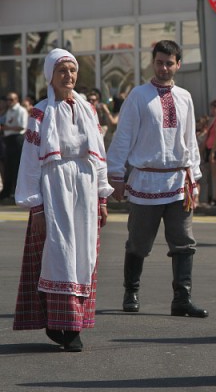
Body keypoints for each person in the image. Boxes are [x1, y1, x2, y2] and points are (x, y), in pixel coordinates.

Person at [12, 48, 113, 352]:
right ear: (50, 77)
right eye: (62, 71)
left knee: (82, 254)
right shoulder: (40, 113)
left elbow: (99, 156)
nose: (68, 76)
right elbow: (30, 161)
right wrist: (36, 204)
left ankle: (73, 322)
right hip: (54, 186)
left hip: (84, 185)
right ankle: (60, 324)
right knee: (58, 253)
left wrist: (102, 196)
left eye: (72, 70)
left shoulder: (88, 110)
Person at [107, 40, 208, 318]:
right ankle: (131, 291)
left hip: (179, 182)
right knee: (139, 242)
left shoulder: (185, 97)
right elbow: (123, 136)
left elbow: (190, 141)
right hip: (145, 182)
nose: (164, 67)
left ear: (178, 64)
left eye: (169, 62)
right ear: (153, 63)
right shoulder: (138, 96)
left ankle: (182, 299)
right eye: (159, 62)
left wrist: (195, 178)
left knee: (184, 242)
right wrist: (115, 174)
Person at [0, 92, 28, 201]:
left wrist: (6, 128)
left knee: (17, 166)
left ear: (16, 100)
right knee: (8, 167)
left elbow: (21, 126)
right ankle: (7, 191)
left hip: (17, 139)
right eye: (7, 99)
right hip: (8, 140)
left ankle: (16, 191)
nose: (8, 102)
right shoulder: (9, 111)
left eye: (11, 100)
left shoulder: (21, 111)